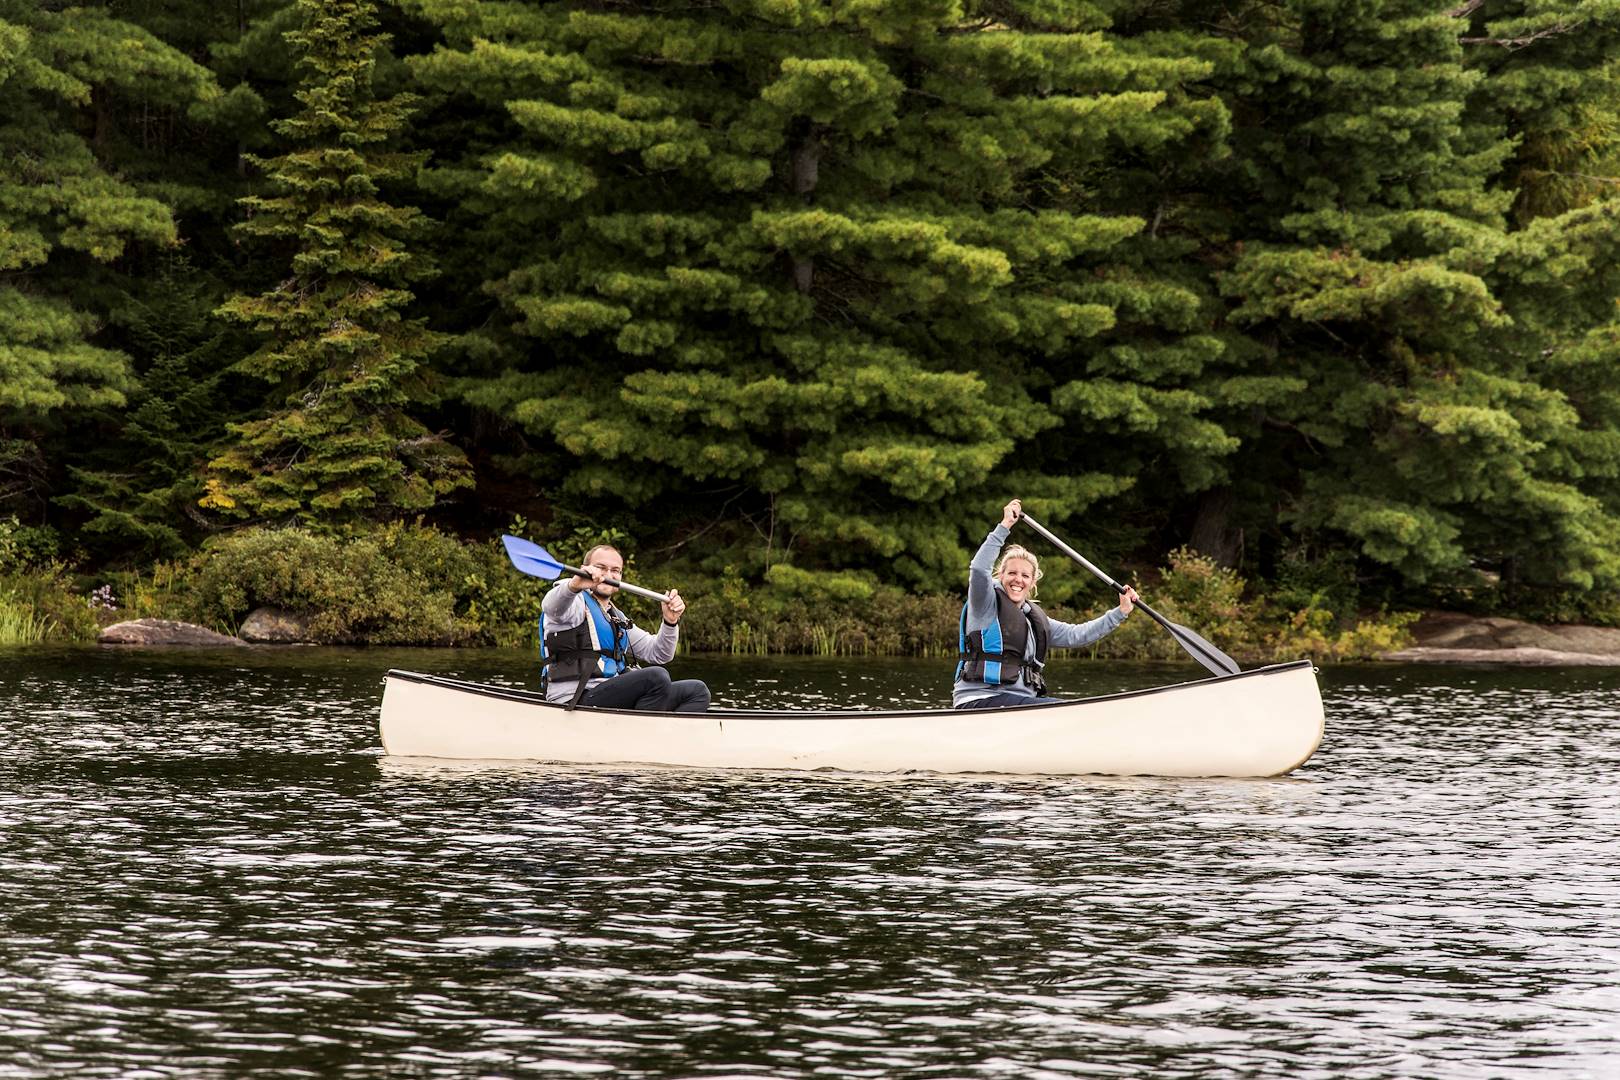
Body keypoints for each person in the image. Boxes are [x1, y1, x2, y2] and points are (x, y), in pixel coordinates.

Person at [954, 498, 1139, 709]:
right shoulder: (985, 604)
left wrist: (1121, 611)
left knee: (1063, 707)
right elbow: (978, 569)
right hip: (980, 700)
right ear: (1000, 575)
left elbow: (1078, 635)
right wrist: (1004, 526)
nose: (1018, 579)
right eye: (1012, 573)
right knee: (1064, 709)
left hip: (1020, 703)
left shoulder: (1034, 620)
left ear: (1032, 582)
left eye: (1025, 575)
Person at [539, 544, 710, 712]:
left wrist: (670, 622)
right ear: (585, 569)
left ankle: (660, 734)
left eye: (615, 570)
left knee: (697, 691)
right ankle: (643, 734)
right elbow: (552, 607)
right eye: (601, 567)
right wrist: (573, 585)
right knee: (656, 677)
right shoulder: (574, 602)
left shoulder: (616, 617)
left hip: (609, 696)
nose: (608, 574)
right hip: (576, 698)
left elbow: (659, 653)